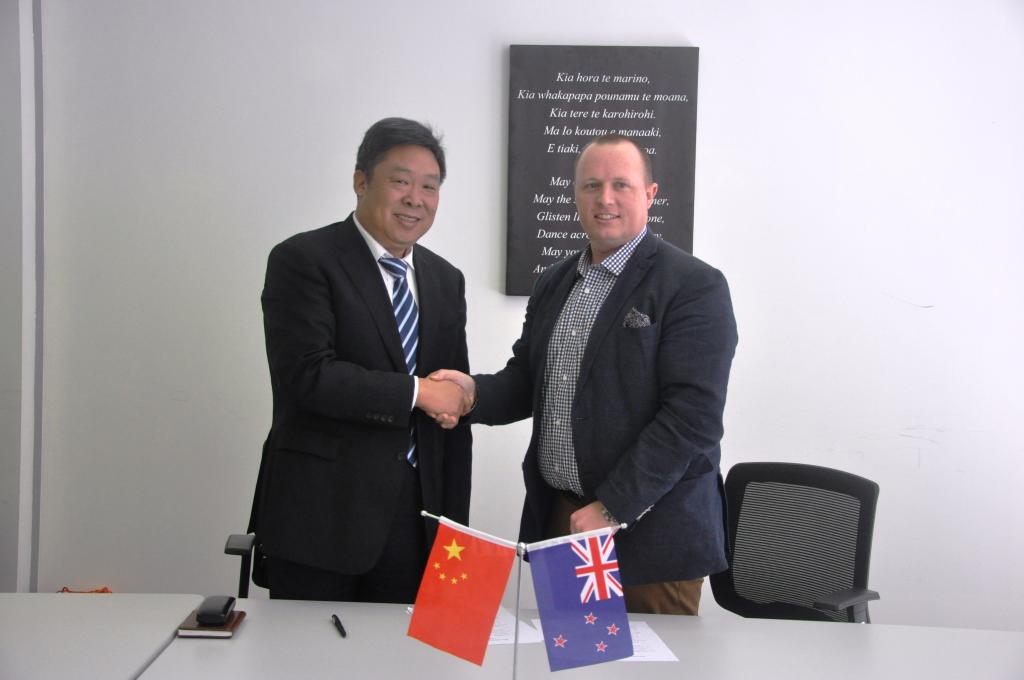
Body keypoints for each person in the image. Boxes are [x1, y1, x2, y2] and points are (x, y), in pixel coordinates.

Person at [432, 134, 737, 614]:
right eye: (591, 185)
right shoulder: (554, 282)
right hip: (564, 523)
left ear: (650, 194)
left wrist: (612, 507)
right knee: (565, 655)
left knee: (645, 659)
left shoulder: (694, 286)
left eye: (621, 185)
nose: (605, 198)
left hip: (650, 538)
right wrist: (472, 394)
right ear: (575, 195)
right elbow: (528, 380)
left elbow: (692, 419)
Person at [249, 117, 473, 603]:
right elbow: (307, 375)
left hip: (419, 519)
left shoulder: (445, 279)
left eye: (429, 186)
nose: (415, 198)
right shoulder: (303, 259)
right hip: (321, 518)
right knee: (308, 647)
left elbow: (449, 406)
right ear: (361, 181)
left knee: (404, 648)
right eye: (400, 181)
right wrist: (418, 391)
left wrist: (456, 526)